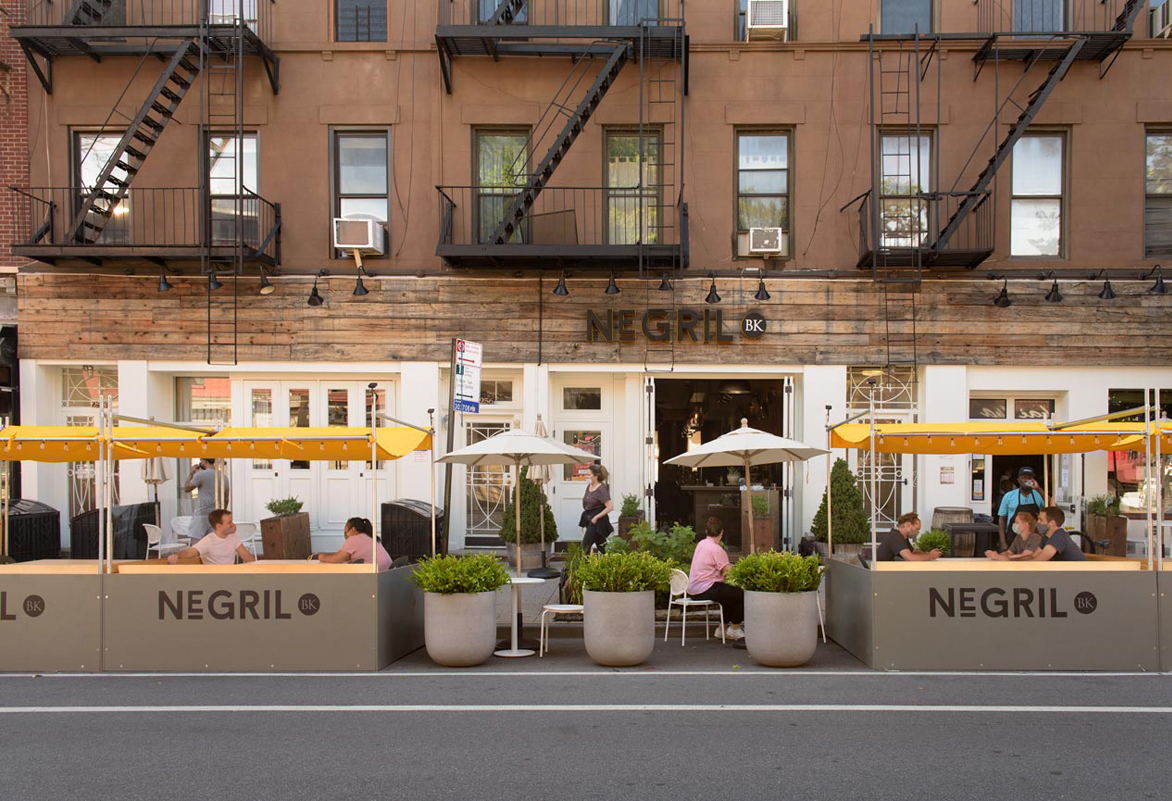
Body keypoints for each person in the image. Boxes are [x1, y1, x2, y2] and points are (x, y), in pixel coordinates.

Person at [687, 517, 745, 641]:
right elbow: (729, 571)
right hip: (706, 588)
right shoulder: (717, 549)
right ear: (721, 532)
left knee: (729, 595)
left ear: (706, 531)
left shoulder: (701, 544)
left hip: (694, 589)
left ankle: (721, 629)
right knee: (741, 594)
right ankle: (734, 628)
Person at [988, 506, 1085, 562]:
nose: (1038, 522)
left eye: (1041, 520)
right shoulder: (1046, 537)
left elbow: (1039, 561)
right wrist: (1004, 558)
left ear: (1052, 523)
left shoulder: (1059, 536)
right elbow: (1033, 556)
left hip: (1078, 575)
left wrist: (1005, 559)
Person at [166, 509, 254, 565]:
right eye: (229, 522)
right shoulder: (209, 540)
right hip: (214, 579)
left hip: (230, 576)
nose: (232, 524)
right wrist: (177, 555)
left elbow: (245, 555)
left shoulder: (233, 537)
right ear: (219, 526)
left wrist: (259, 567)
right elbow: (192, 552)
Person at [310, 517, 392, 572]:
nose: (345, 534)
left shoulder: (354, 539)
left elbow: (336, 558)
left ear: (353, 529)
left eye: (346, 530)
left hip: (377, 576)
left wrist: (320, 556)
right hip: (387, 573)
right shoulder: (369, 537)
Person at [997, 466, 1046, 551]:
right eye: (1024, 478)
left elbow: (1052, 505)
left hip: (1033, 538)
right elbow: (1002, 519)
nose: (1026, 480)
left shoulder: (1038, 494)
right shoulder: (1009, 496)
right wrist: (1003, 542)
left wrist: (1038, 488)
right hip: (1013, 536)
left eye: (1029, 478)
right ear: (1018, 480)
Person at [184, 458, 229, 540]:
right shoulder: (224, 477)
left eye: (201, 461)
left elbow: (187, 488)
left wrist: (191, 473)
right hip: (215, 515)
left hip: (201, 515)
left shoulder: (201, 475)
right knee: (212, 545)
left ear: (205, 462)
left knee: (196, 546)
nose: (200, 463)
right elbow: (226, 498)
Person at [875, 512, 942, 562]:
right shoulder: (895, 537)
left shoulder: (902, 537)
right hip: (882, 572)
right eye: (917, 529)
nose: (917, 532)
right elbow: (910, 558)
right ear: (908, 525)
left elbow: (913, 552)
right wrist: (930, 556)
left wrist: (928, 553)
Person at [580, 463, 614, 554]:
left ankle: (583, 566)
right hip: (589, 518)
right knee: (602, 546)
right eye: (586, 474)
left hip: (597, 521)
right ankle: (612, 563)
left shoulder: (601, 489)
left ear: (596, 476)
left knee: (585, 545)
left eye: (588, 474)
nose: (586, 476)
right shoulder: (589, 486)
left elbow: (610, 507)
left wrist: (596, 518)